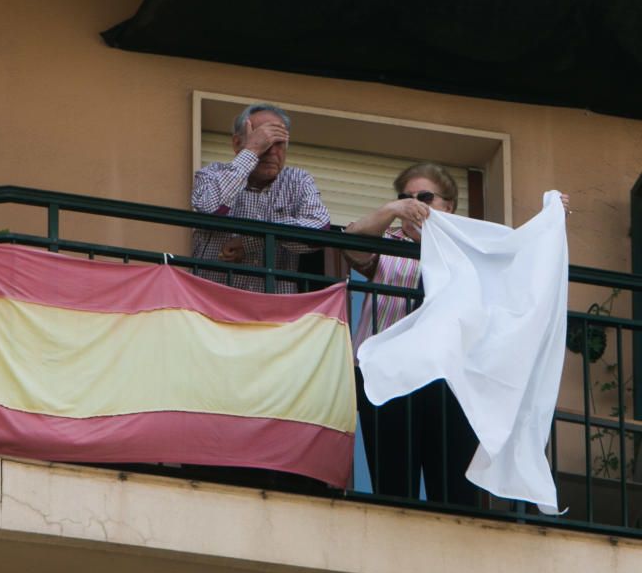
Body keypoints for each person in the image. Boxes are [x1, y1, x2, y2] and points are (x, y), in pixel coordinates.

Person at [345, 162, 569, 505]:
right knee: (392, 482)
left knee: (452, 489)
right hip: (390, 374)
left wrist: (550, 220)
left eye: (424, 197)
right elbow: (352, 243)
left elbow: (517, 262)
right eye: (405, 197)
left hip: (448, 379)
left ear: (448, 207)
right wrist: (391, 210)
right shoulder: (388, 244)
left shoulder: (468, 251)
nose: (414, 204)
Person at [191, 103, 330, 293]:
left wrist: (248, 241)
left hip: (275, 315)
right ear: (237, 143)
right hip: (211, 307)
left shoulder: (298, 180)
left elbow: (319, 232)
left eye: (279, 142)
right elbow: (210, 208)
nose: (272, 150)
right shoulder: (212, 173)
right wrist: (251, 151)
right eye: (263, 140)